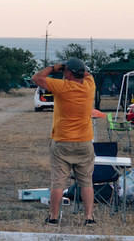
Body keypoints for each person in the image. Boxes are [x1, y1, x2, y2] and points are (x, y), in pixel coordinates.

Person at [31, 58, 96, 225]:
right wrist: (74, 68)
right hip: (84, 141)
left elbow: (36, 78)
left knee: (58, 182)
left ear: (67, 73)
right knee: (86, 182)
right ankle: (89, 217)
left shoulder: (62, 87)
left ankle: (53, 217)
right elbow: (86, 73)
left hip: (62, 141)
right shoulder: (90, 85)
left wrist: (55, 67)